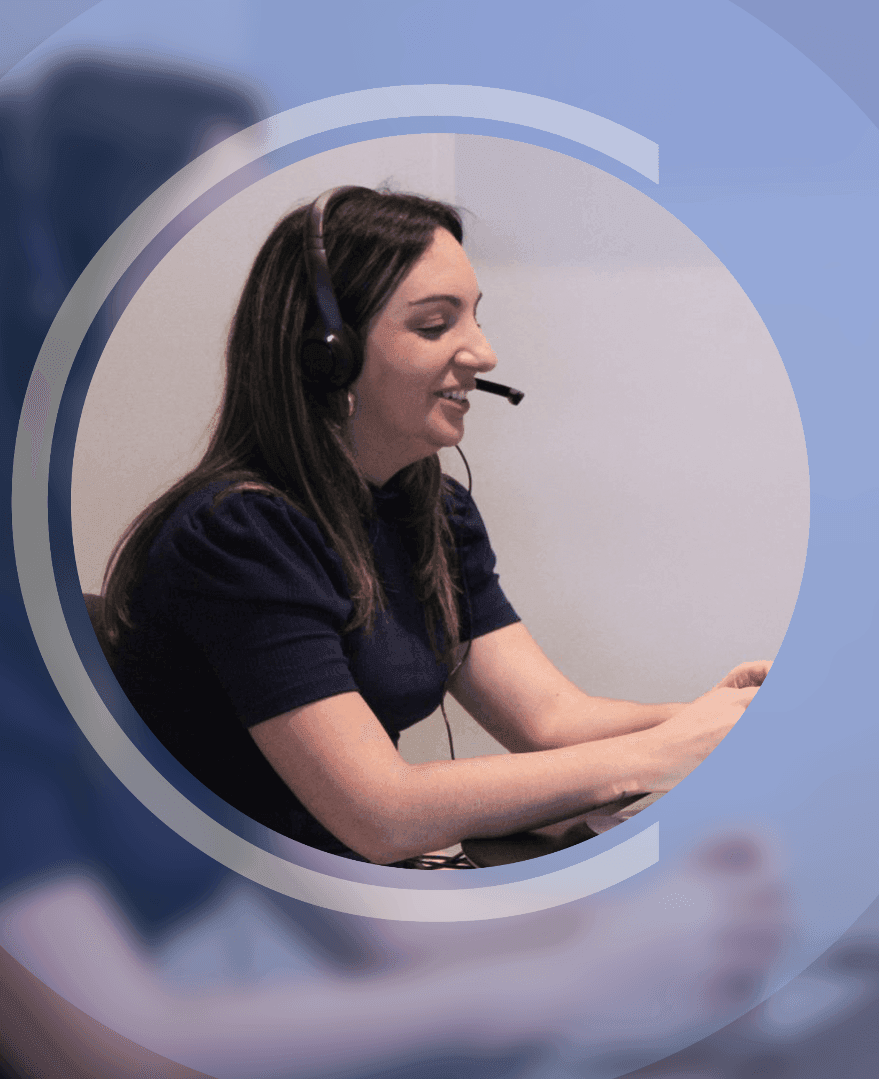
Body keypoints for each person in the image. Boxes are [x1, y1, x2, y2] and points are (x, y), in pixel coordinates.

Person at [101, 185, 767, 866]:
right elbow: (382, 813)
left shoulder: (434, 512)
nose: (482, 354)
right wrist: (657, 754)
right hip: (225, 932)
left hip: (345, 909)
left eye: (473, 318)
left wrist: (718, 718)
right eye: (434, 325)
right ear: (326, 354)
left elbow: (552, 720)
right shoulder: (238, 535)